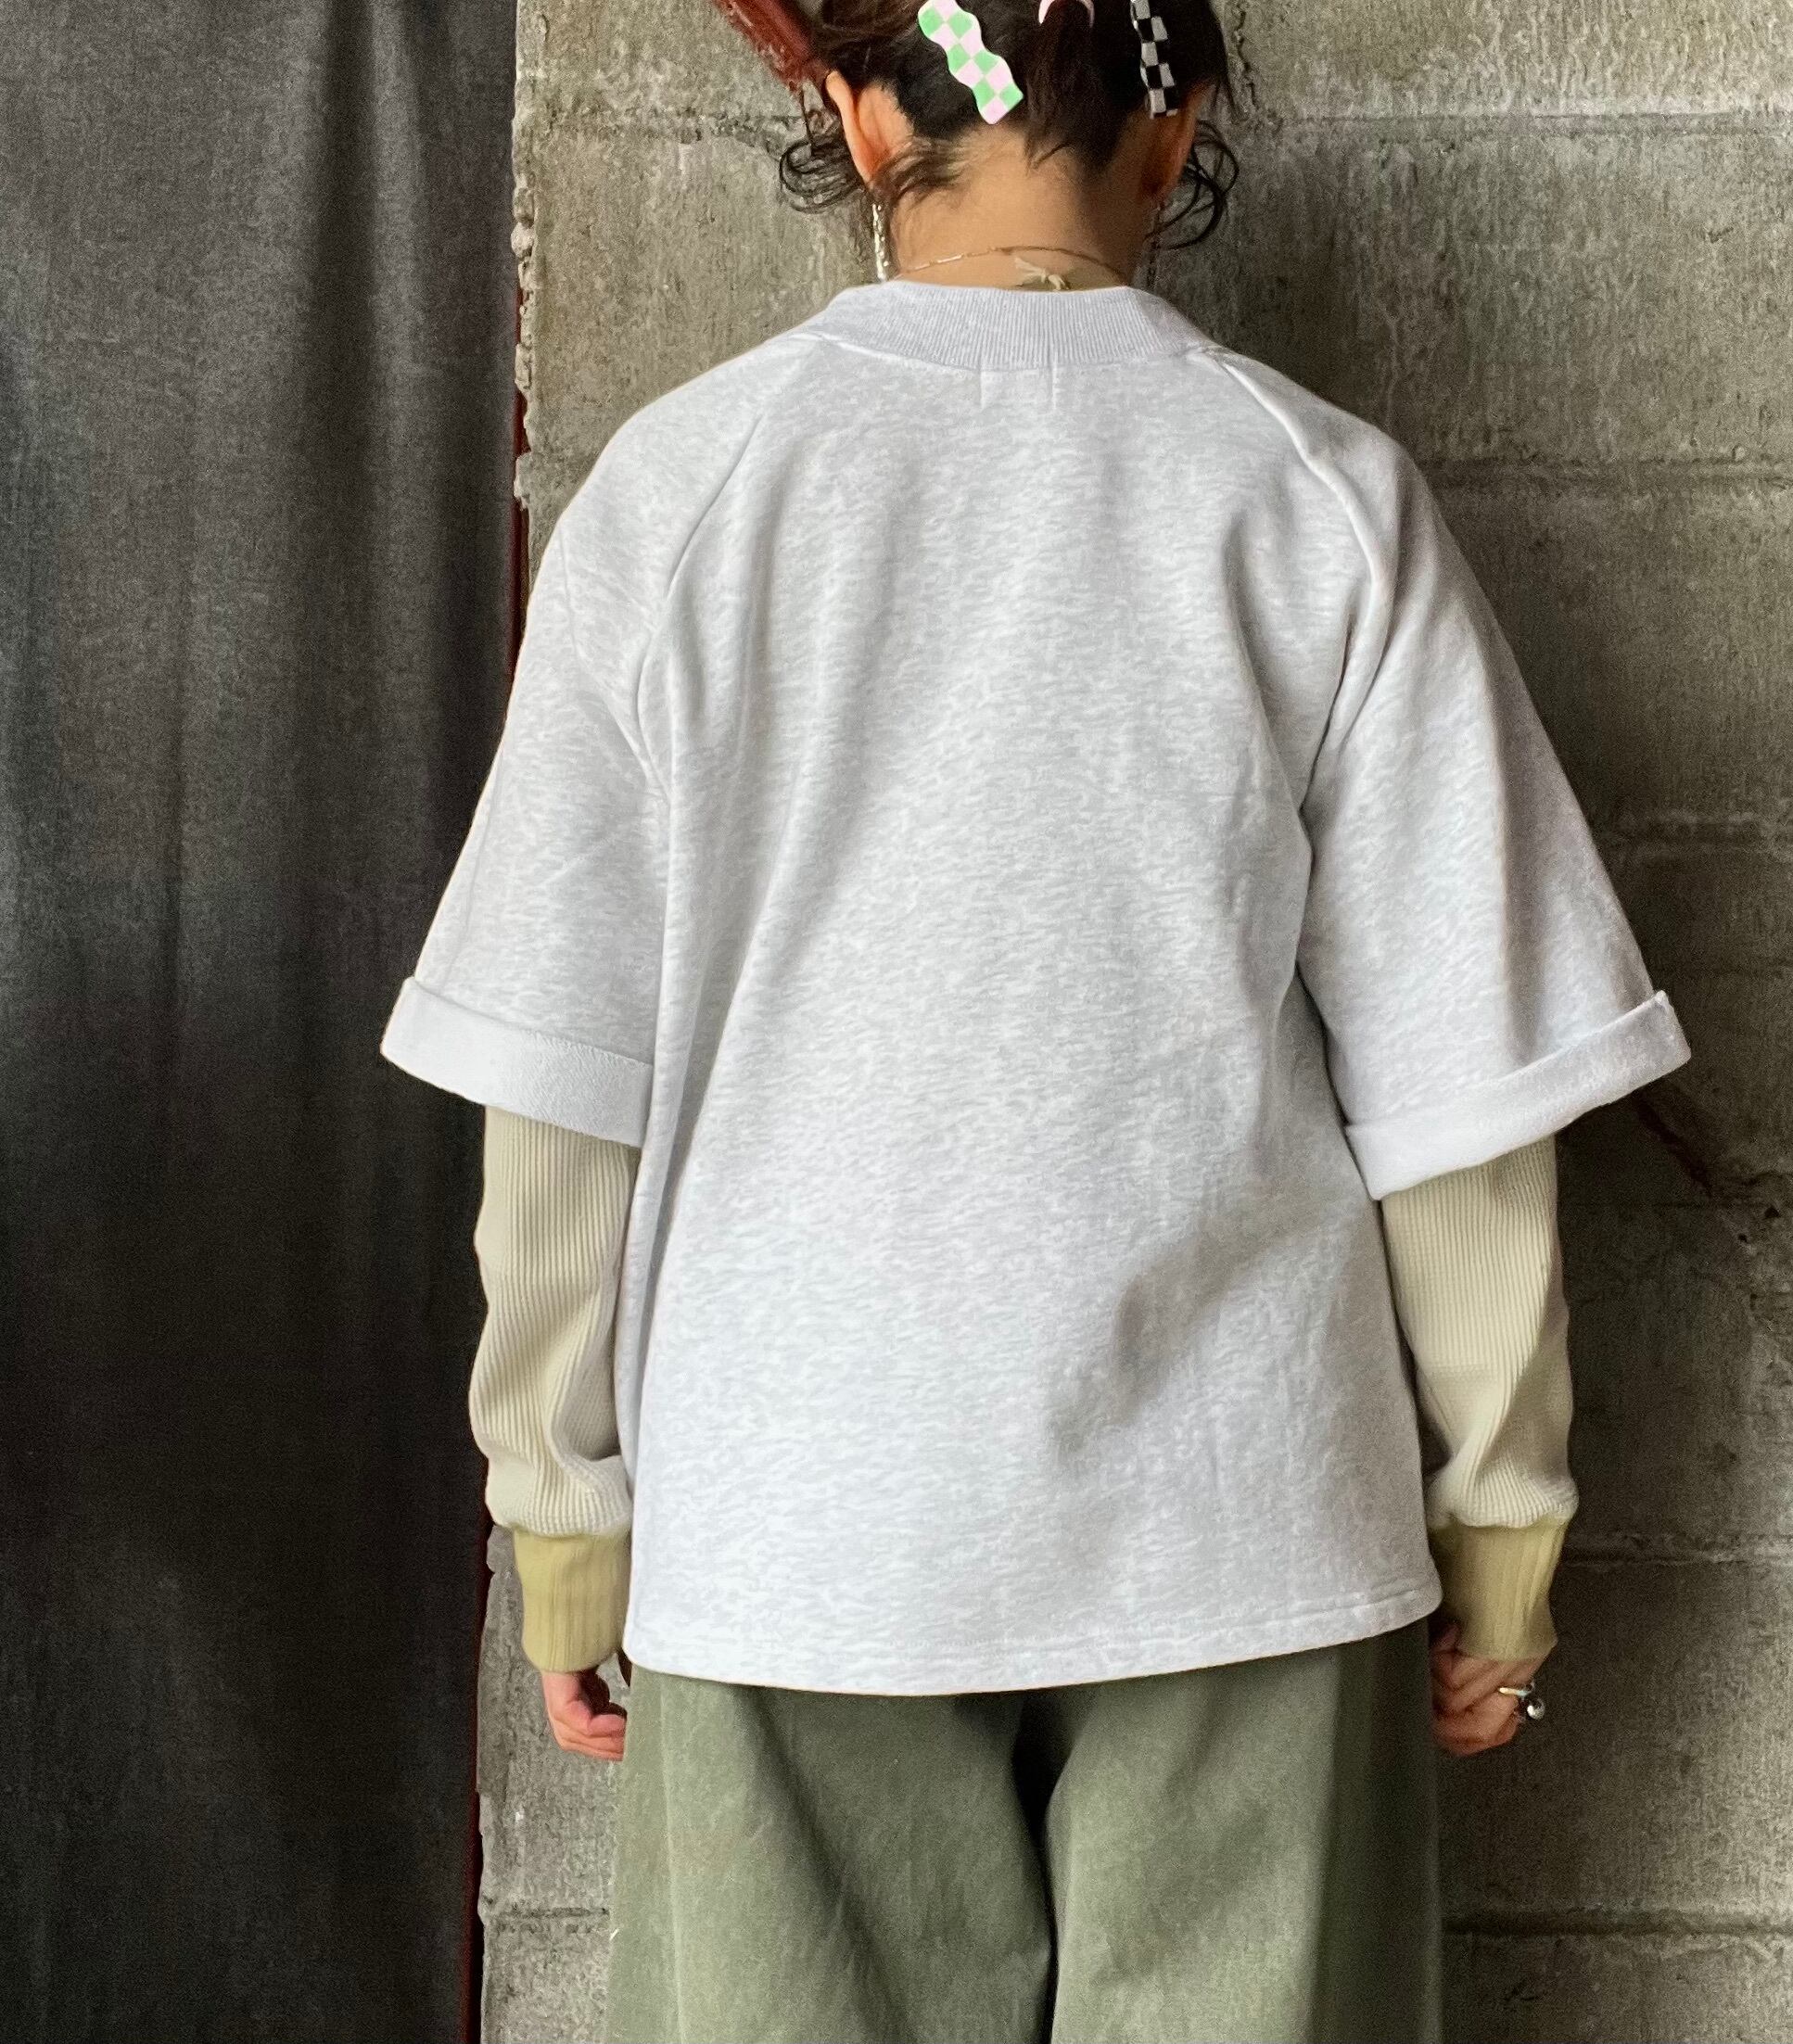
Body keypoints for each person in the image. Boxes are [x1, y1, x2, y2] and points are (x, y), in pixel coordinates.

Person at [380, 2, 1692, 2037]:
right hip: (1244, 1526)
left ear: (852, 114)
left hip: (796, 1524)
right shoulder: (1315, 497)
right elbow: (1464, 1103)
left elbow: (561, 1093)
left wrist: (560, 1514)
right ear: (1176, 128)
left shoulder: (687, 488)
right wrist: (1501, 1522)